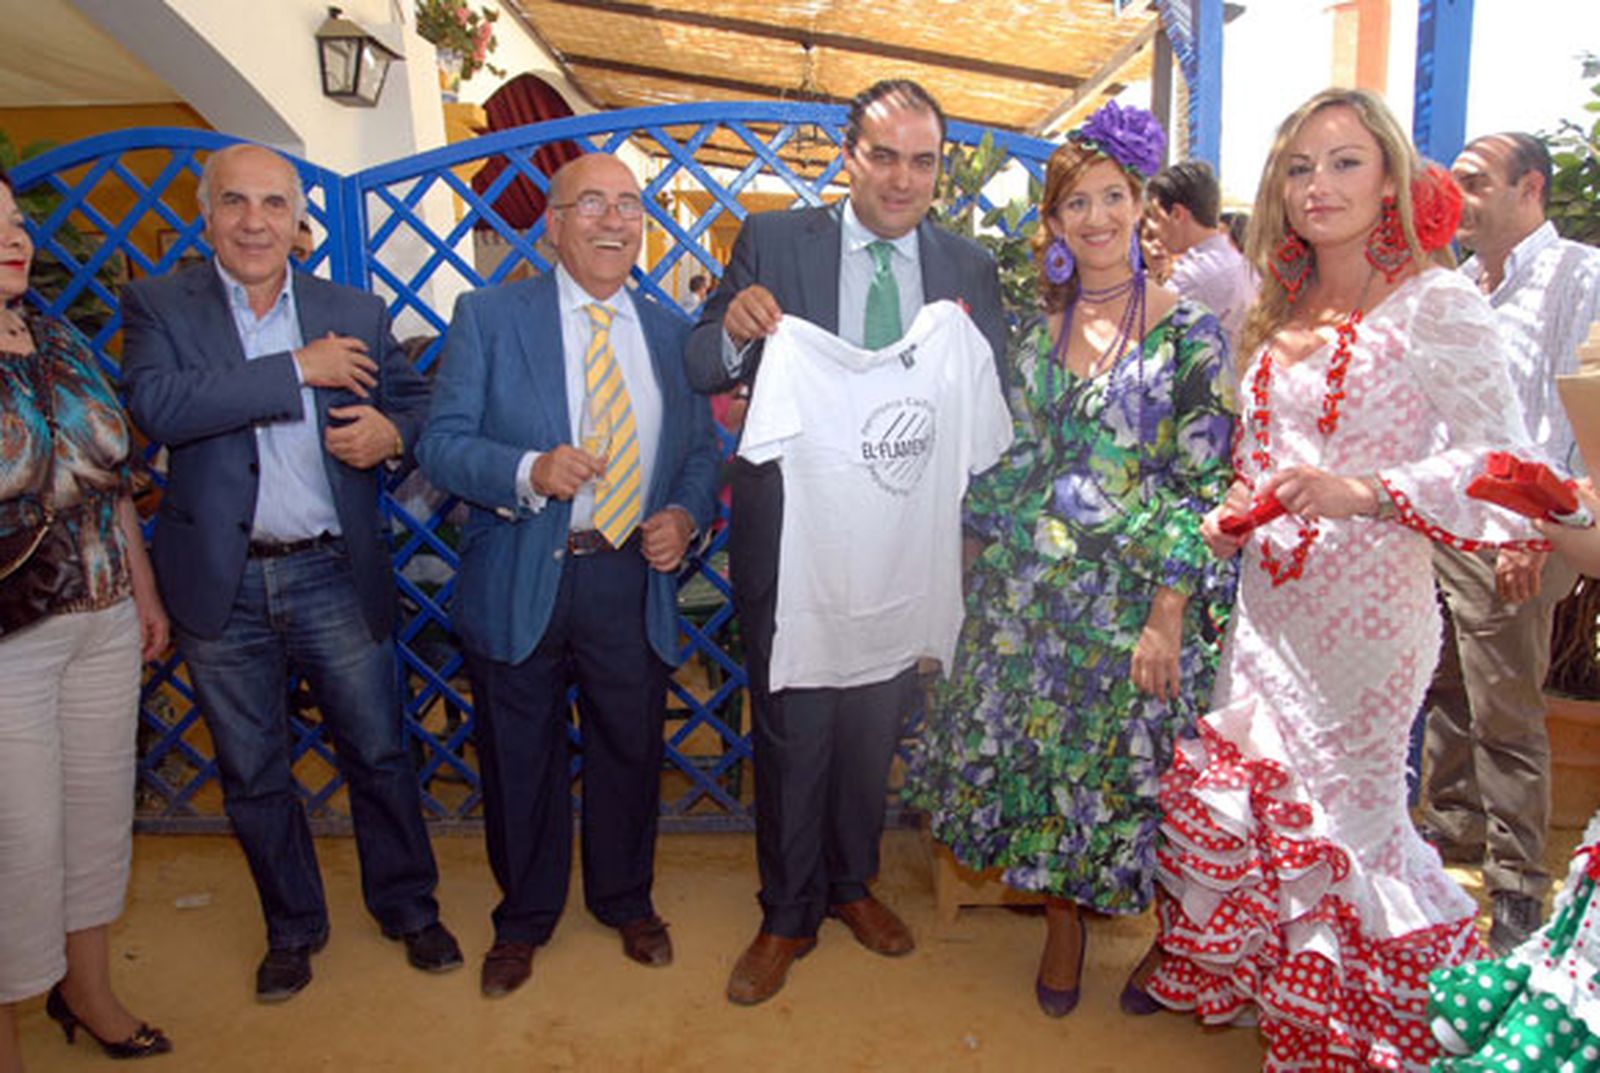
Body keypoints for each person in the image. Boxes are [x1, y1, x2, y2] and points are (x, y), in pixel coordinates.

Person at [1141, 88, 1549, 1070]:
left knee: (1351, 819)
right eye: (1298, 167)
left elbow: (1502, 461)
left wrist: (1367, 491)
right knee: (1268, 807)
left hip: (1370, 616)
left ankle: (1382, 1032)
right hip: (1267, 608)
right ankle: (1303, 1018)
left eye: (1344, 162)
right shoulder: (1275, 304)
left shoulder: (1437, 302)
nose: (1317, 185)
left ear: (1392, 180)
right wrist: (1236, 511)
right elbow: (1267, 456)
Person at [905, 102, 1235, 1019]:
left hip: (1137, 599)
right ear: (1052, 223)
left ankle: (1175, 942)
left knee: (1142, 774)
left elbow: (1205, 485)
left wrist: (1168, 611)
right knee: (1048, 768)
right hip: (1037, 595)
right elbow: (1015, 461)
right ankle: (1062, 925)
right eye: (1075, 203)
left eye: (1112, 197)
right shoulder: (1037, 331)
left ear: (1142, 206)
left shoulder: (1192, 332)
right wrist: (958, 558)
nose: (1096, 217)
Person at [684, 78, 1007, 1006]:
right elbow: (699, 360)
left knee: (874, 725)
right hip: (796, 543)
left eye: (923, 161)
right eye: (884, 156)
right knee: (793, 727)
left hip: (904, 547)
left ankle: (851, 882)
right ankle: (786, 912)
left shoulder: (967, 268)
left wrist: (968, 537)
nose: (903, 179)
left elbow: (997, 402)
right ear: (848, 156)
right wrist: (733, 329)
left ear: (940, 169)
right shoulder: (775, 242)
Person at [120, 143, 460, 1003]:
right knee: (252, 771)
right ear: (206, 216)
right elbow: (159, 407)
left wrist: (393, 434)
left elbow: (424, 405)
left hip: (331, 570)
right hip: (219, 581)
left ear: (298, 221)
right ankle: (293, 927)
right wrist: (296, 370)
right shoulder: (160, 304)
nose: (254, 222)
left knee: (378, 751)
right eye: (235, 202)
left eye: (273, 204)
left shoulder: (354, 309)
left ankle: (409, 907)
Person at [418, 152, 719, 1000]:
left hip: (628, 571)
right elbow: (440, 443)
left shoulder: (672, 333)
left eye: (629, 205)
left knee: (632, 745)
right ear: (552, 224)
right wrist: (528, 470)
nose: (614, 220)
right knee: (519, 756)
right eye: (592, 203)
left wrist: (684, 516)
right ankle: (523, 917)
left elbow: (701, 452)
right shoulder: (488, 316)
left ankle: (626, 899)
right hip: (522, 568)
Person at [0, 166, 172, 1071]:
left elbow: (110, 483)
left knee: (97, 822)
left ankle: (89, 990)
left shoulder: (56, 336)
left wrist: (143, 593)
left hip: (104, 620)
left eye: (15, 220)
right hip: (11, 644)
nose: (13, 237)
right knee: (16, 843)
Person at [1419, 130, 1600, 954]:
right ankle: (1449, 833)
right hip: (1447, 523)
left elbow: (1579, 414)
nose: (1459, 199)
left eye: (1476, 181)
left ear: (1530, 188)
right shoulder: (1461, 286)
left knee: (1506, 711)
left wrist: (1539, 526)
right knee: (1446, 689)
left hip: (1522, 533)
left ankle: (1520, 885)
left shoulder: (1578, 275)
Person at [1146, 160, 1258, 346]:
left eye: (1156, 217)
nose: (1153, 228)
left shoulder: (1195, 277)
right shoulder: (1240, 264)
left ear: (1177, 214)